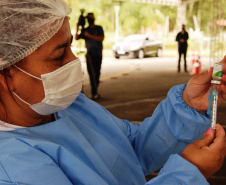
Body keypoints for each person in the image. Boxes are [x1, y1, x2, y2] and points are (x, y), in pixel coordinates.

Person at [0, 1, 225, 184]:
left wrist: (188, 105)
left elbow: (130, 147)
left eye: (70, 46)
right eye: (59, 56)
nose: (73, 61)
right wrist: (188, 175)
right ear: (6, 72)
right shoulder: (10, 168)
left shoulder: (71, 107)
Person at [75, 12, 104, 100]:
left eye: (92, 17)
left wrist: (90, 36)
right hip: (89, 56)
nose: (90, 19)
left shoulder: (99, 28)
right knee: (91, 74)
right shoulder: (85, 30)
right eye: (89, 18)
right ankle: (94, 92)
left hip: (98, 54)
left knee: (97, 73)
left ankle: (95, 91)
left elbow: (101, 38)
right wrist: (77, 27)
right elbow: (76, 37)